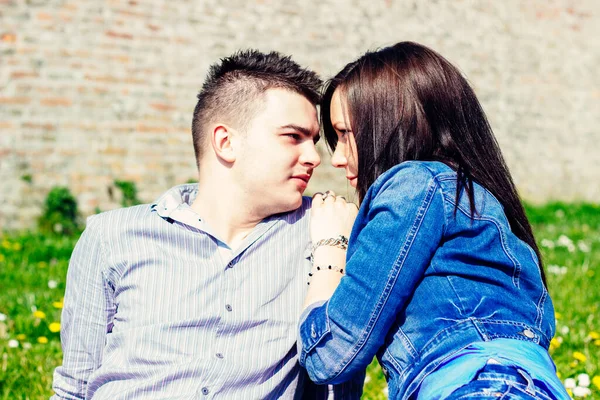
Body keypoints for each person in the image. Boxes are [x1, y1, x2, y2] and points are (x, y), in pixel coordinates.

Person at [52, 49, 363, 399]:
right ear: (225, 142)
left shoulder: (326, 232)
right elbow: (74, 387)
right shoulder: (113, 237)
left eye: (314, 142)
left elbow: (341, 373)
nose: (314, 158)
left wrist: (335, 248)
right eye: (293, 137)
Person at [298, 42, 570, 399]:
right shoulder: (479, 208)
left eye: (346, 134)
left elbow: (330, 355)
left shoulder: (414, 184)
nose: (337, 159)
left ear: (395, 123)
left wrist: (330, 250)